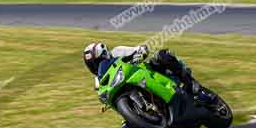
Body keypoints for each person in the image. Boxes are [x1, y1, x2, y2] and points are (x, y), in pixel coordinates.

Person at [83, 42, 213, 104]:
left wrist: (139, 54)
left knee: (163, 56)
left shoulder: (118, 52)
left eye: (98, 61)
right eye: (92, 65)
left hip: (147, 72)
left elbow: (141, 49)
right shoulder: (98, 81)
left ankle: (193, 87)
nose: (96, 66)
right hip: (130, 89)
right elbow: (105, 98)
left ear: (105, 54)